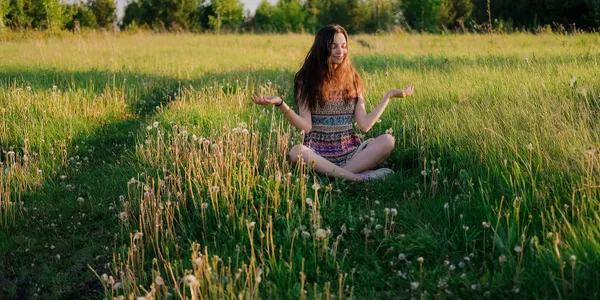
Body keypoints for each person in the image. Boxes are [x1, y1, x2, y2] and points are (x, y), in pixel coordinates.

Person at [251, 24, 414, 181]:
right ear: (323, 48)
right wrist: (280, 103)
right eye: (333, 46)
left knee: (388, 141)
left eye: (344, 45)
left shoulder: (354, 80)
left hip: (351, 152)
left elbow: (364, 125)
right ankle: (358, 178)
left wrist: (389, 96)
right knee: (297, 152)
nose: (340, 51)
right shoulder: (306, 80)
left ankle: (332, 176)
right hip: (317, 153)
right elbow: (307, 126)